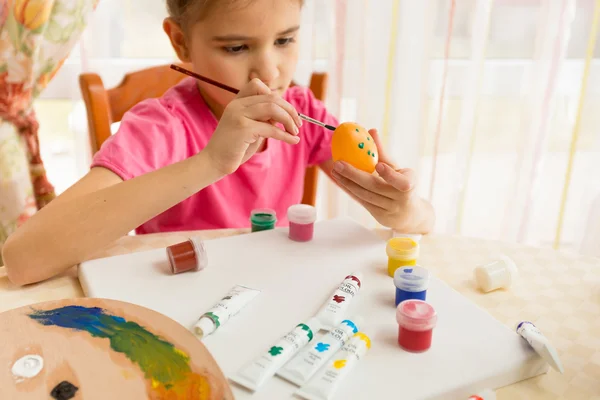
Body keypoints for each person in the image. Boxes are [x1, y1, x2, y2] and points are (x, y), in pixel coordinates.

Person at [2, 0, 435, 286]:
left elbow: (422, 220)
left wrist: (405, 208)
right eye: (236, 47)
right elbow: (23, 260)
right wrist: (209, 162)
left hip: (271, 293)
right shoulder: (161, 127)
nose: (268, 73)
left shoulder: (305, 110)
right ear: (180, 41)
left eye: (285, 40)